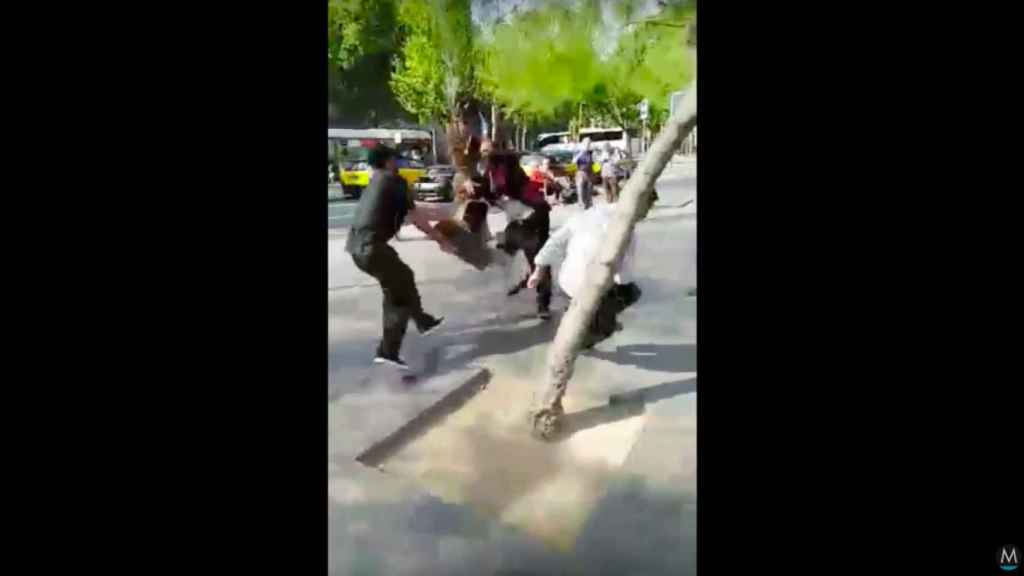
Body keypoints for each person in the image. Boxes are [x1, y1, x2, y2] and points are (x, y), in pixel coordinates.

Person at [345, 145, 455, 370]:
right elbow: (416, 216)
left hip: (359, 248)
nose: (398, 163)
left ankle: (423, 320)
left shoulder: (376, 181)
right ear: (387, 161)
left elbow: (409, 212)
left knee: (403, 277)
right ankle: (388, 352)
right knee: (398, 296)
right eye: (395, 159)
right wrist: (440, 239)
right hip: (372, 247)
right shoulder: (393, 181)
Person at [526, 189, 658, 349]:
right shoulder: (625, 231)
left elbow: (555, 241)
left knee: (609, 294)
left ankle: (587, 314)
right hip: (588, 286)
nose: (646, 214)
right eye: (648, 208)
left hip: (567, 282)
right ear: (641, 206)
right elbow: (623, 278)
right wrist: (606, 312)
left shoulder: (591, 212)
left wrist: (538, 271)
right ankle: (589, 334)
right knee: (632, 293)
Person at [479, 139, 553, 319]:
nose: (484, 154)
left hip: (534, 212)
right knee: (535, 253)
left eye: (486, 151)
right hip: (527, 212)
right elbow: (490, 191)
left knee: (538, 254)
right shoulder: (493, 167)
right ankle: (532, 284)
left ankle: (541, 298)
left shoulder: (503, 163)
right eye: (482, 151)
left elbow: (497, 187)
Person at [573, 138, 595, 209]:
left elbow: (593, 162)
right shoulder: (578, 151)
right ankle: (581, 205)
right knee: (580, 191)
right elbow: (573, 161)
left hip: (589, 173)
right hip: (580, 173)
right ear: (583, 143)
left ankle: (589, 206)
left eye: (589, 143)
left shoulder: (590, 152)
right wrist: (581, 152)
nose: (588, 145)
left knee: (589, 190)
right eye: (586, 143)